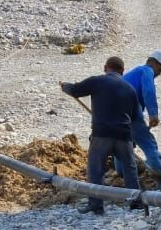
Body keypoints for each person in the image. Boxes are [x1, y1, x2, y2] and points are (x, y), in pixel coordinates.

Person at [59, 56, 143, 215]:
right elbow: (135, 117)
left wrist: (64, 86)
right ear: (122, 71)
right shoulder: (130, 89)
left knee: (96, 169)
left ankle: (96, 204)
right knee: (130, 170)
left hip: (102, 134)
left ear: (105, 68)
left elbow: (75, 90)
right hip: (124, 135)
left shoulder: (97, 81)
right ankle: (136, 203)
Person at [116, 50, 161, 189]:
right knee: (149, 144)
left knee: (121, 145)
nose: (159, 74)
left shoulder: (130, 74)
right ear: (154, 63)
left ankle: (122, 174)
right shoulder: (146, 71)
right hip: (130, 113)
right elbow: (149, 91)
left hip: (114, 115)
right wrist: (153, 114)